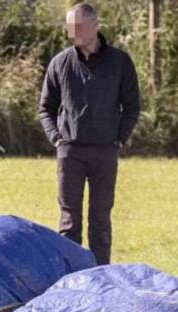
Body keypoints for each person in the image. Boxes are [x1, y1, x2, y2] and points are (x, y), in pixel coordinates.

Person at [38, 2, 141, 266]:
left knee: (100, 221)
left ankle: (101, 276)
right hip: (70, 151)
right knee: (69, 221)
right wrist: (57, 139)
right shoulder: (60, 63)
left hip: (105, 152)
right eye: (70, 27)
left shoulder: (120, 63)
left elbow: (132, 106)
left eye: (79, 26)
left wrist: (119, 138)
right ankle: (70, 278)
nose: (73, 32)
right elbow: (46, 108)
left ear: (96, 25)